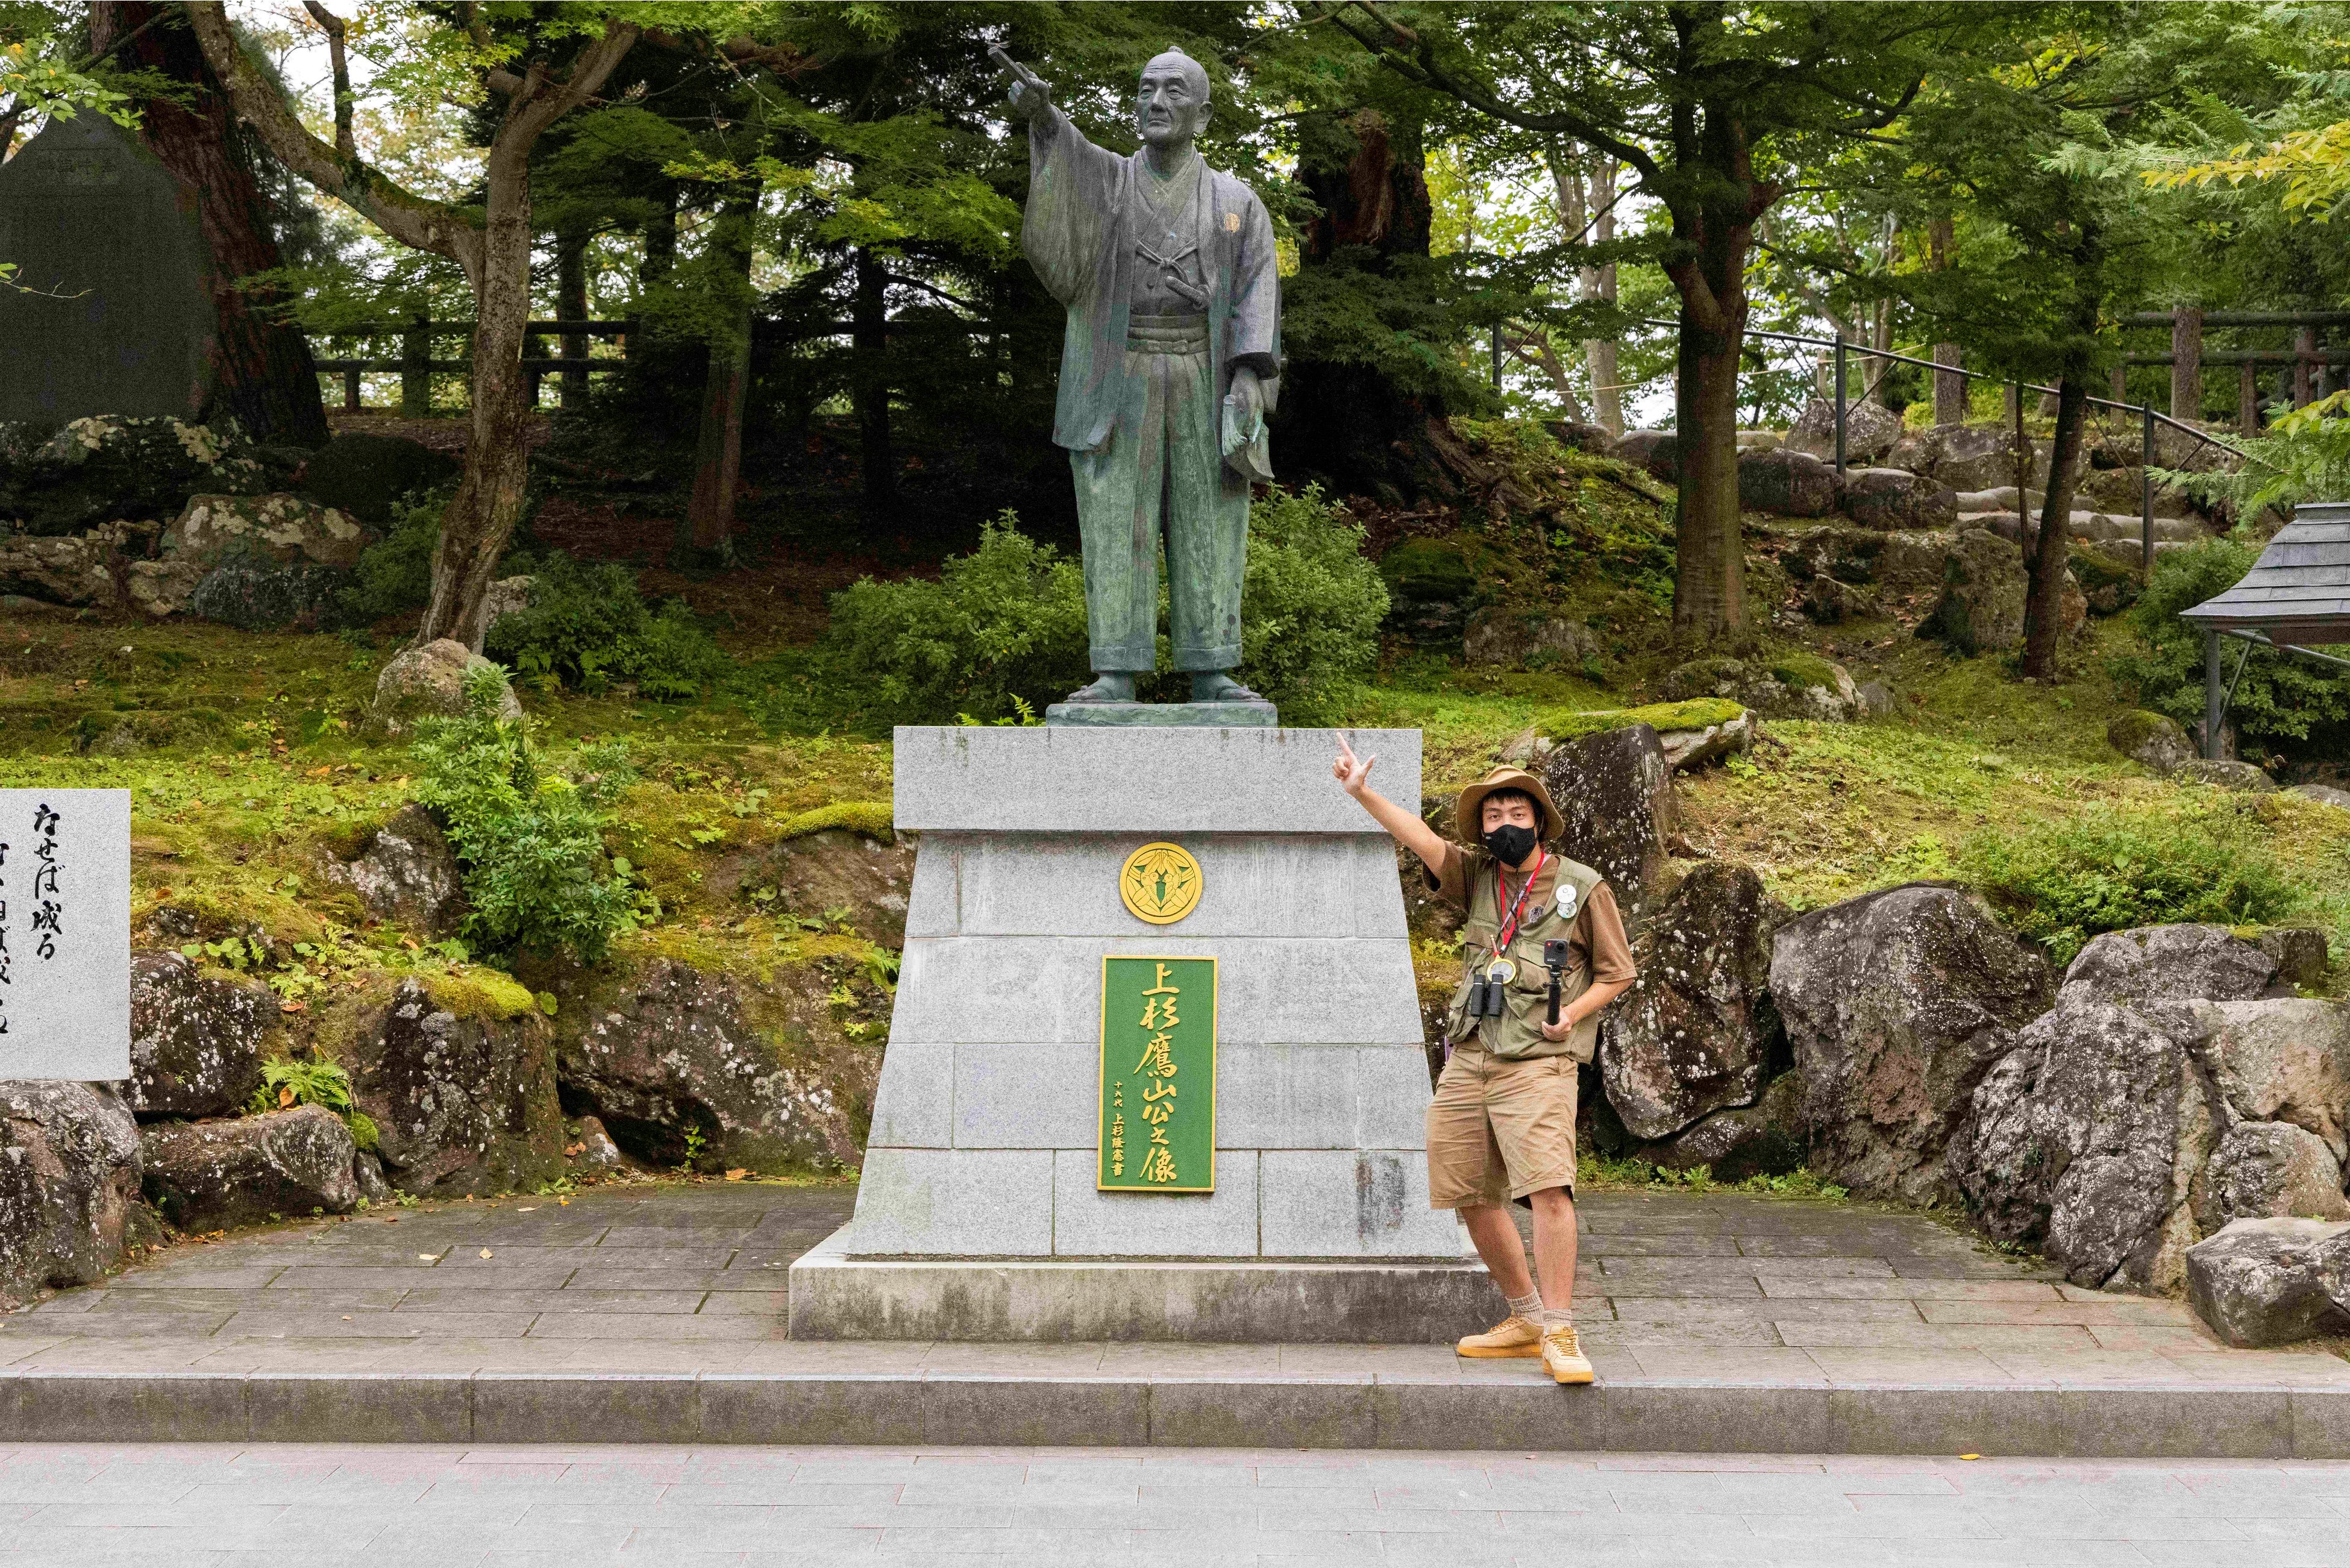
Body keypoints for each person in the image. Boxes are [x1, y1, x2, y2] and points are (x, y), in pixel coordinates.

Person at [1333, 735, 1637, 1385]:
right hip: (1471, 1056)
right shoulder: (1475, 878)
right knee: (1467, 1187)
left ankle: (1559, 1329)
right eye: (1492, 816)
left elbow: (1617, 972)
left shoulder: (1581, 887)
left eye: (1515, 813)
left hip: (1538, 1057)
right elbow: (1421, 839)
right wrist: (1363, 794)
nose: (1504, 824)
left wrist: (1571, 1016)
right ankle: (1524, 1316)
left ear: (1539, 819)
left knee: (1549, 1189)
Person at [996, 43, 1280, 709]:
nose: (1156, 102)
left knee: (1211, 518)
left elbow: (1256, 291)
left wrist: (1248, 378)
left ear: (1203, 116)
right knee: (1114, 518)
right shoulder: (1110, 184)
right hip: (1116, 371)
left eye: (1175, 91)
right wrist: (1042, 120)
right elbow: (1068, 152)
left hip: (1204, 376)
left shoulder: (1237, 203)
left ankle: (1212, 668)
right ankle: (1115, 672)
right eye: (1147, 89)